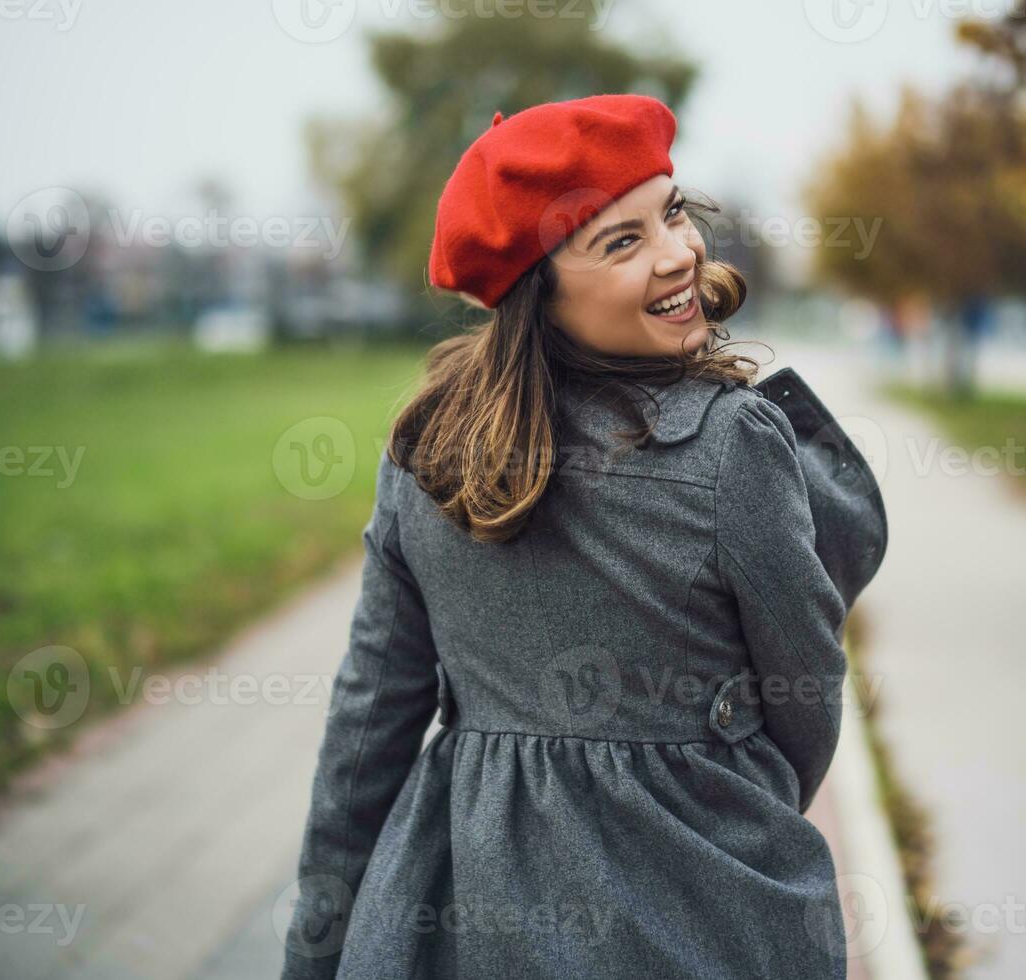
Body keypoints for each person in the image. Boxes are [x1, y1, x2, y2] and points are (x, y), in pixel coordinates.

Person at [280, 93, 888, 980]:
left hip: (462, 923)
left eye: (672, 213)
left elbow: (368, 728)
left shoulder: (426, 450)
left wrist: (315, 953)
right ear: (539, 294)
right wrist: (719, 789)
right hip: (708, 913)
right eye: (622, 241)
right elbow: (805, 695)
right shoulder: (731, 442)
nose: (680, 252)